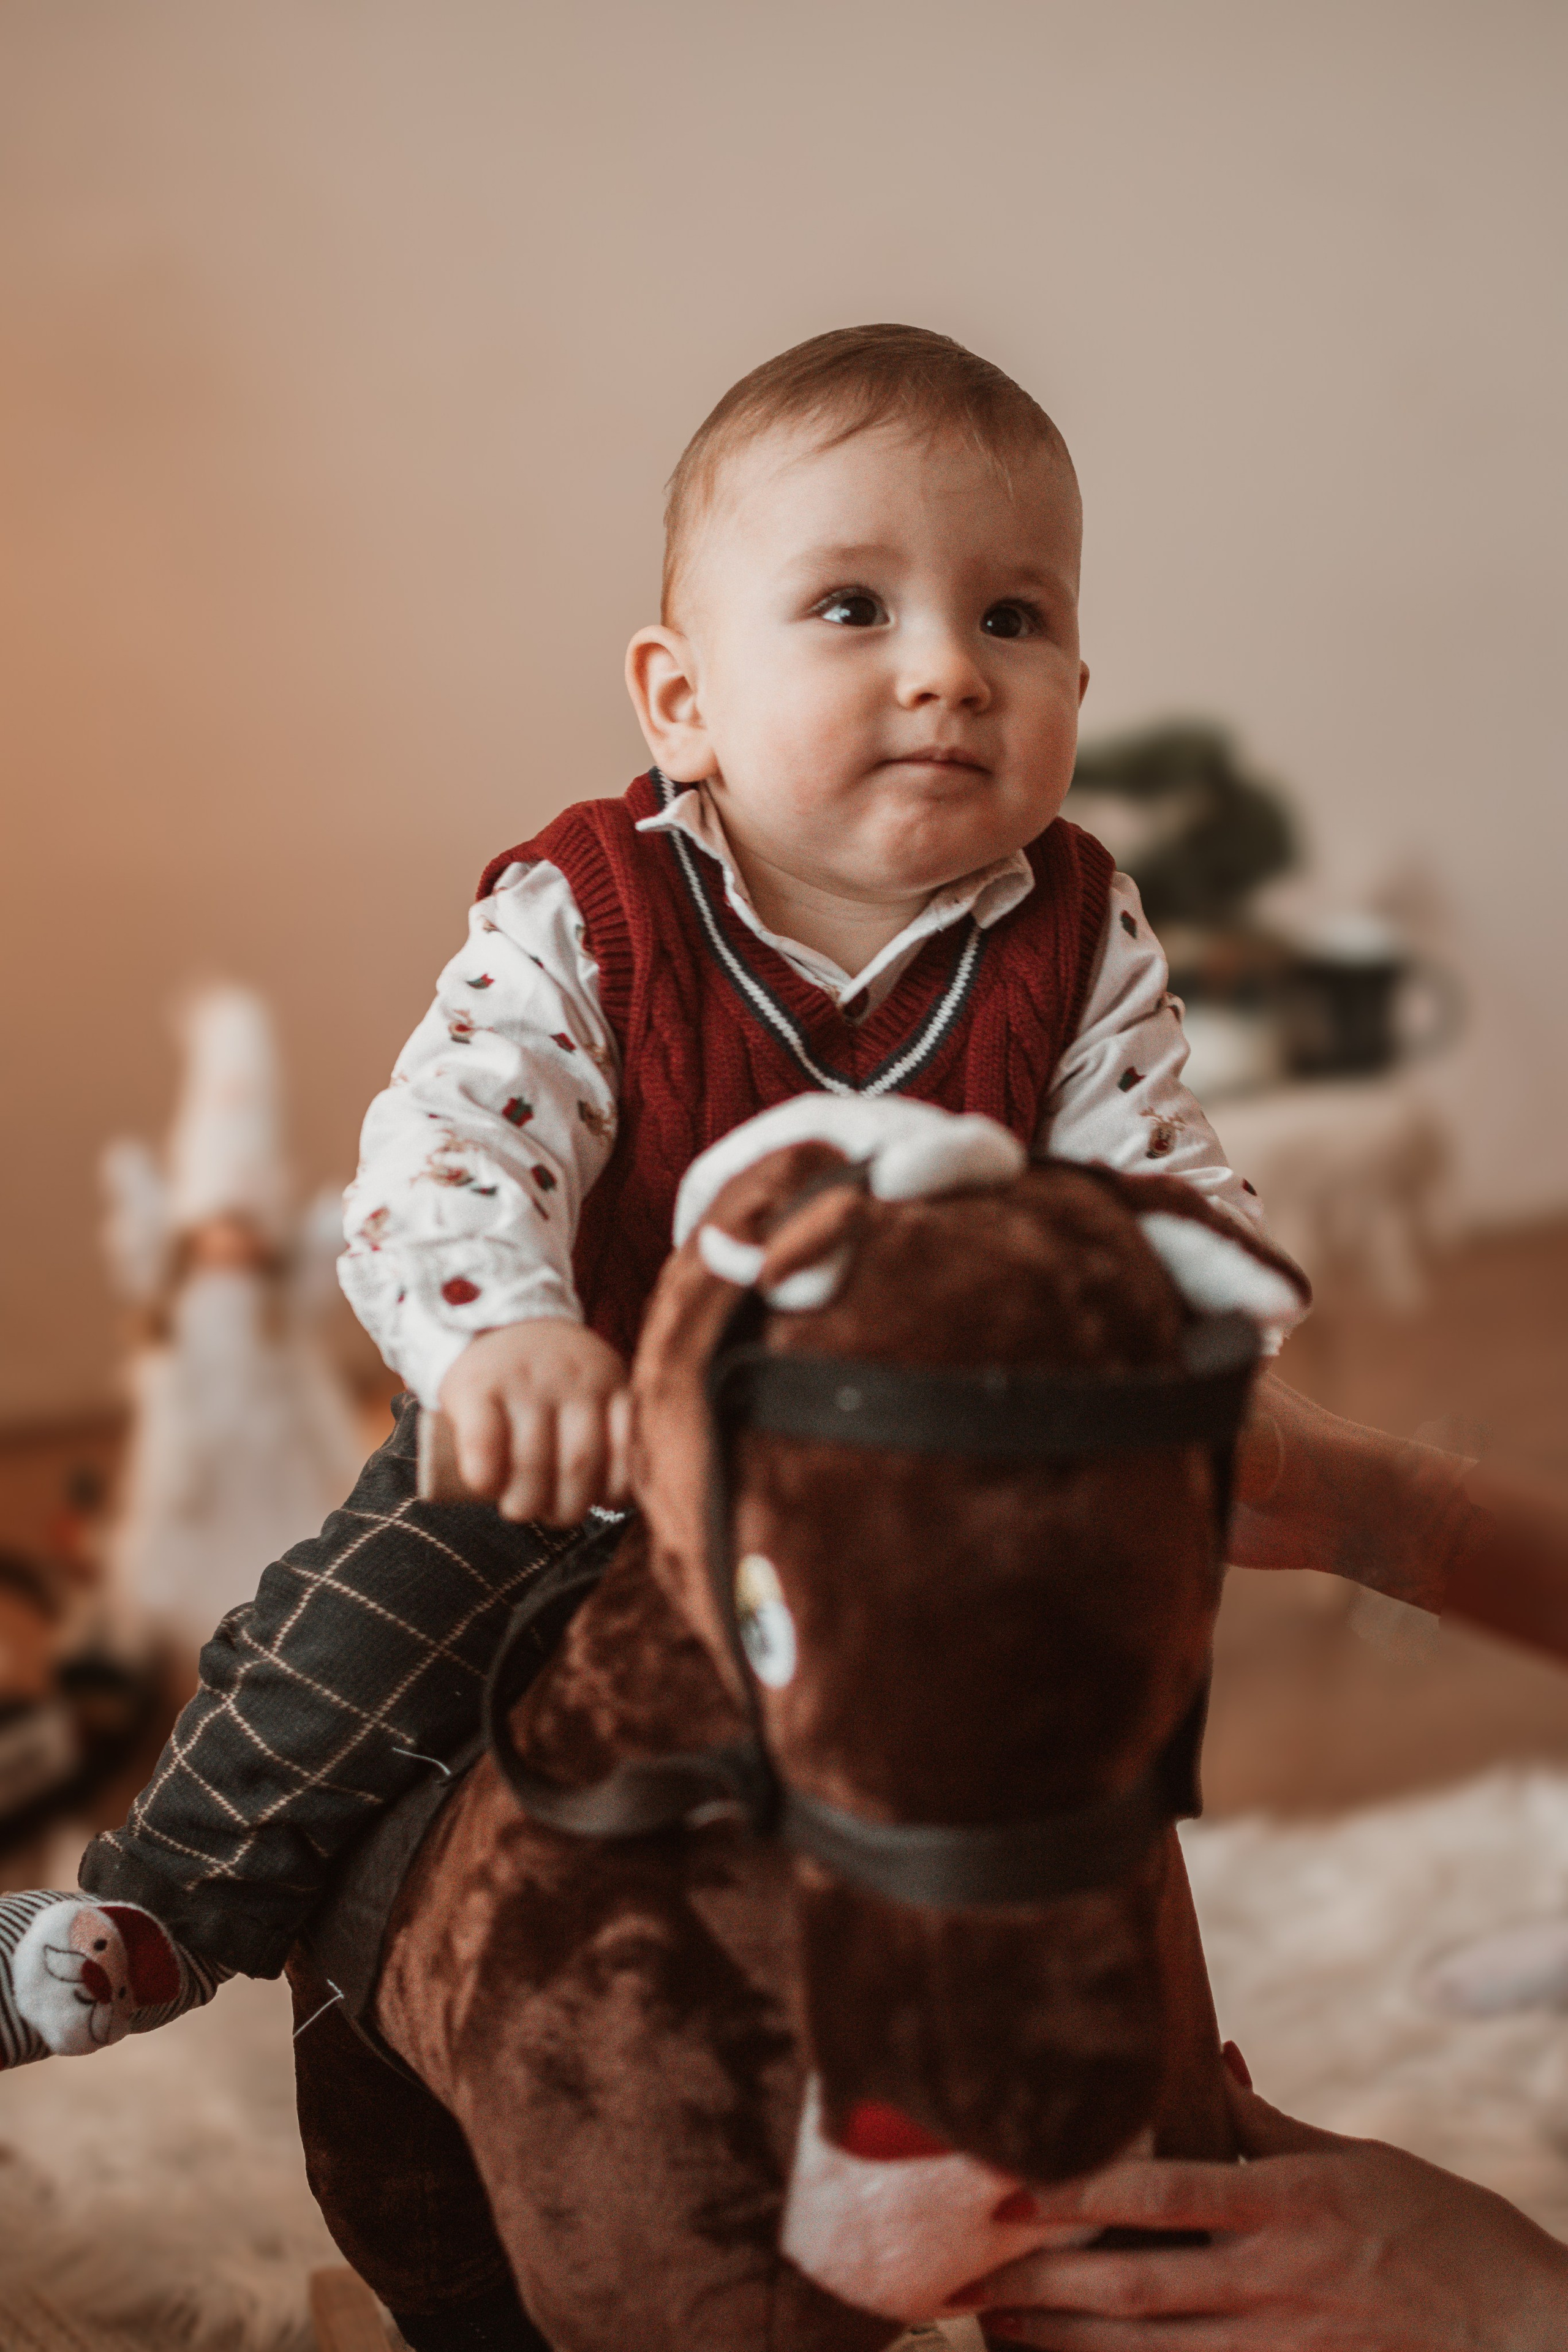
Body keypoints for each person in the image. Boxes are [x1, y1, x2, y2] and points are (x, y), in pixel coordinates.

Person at [0, 322, 1560, 2339]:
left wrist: (1176, 1350)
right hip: (597, 1450)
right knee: (369, 1606)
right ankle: (163, 1903)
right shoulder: (595, 909)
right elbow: (448, 1148)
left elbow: (1160, 1172)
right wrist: (503, 1341)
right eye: (854, 607)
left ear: (1080, 685)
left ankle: (1097, 2076)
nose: (947, 668)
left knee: (1076, 1692)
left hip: (916, 1489)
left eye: (1016, 617)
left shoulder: (1078, 930)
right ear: (684, 699)